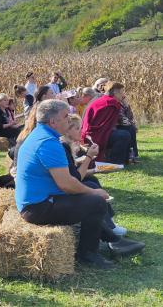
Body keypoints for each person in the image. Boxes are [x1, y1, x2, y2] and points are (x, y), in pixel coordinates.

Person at [16, 99, 115, 268]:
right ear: (53, 122)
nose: (69, 119)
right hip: (37, 208)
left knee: (91, 187)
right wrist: (94, 194)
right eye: (65, 116)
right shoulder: (48, 143)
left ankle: (108, 235)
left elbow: (68, 181)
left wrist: (90, 190)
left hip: (38, 201)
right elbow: (66, 184)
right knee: (96, 201)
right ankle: (88, 254)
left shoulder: (41, 134)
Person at [61, 114, 145, 255]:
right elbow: (74, 177)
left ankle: (110, 227)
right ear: (67, 130)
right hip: (55, 195)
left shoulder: (67, 145)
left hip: (59, 189)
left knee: (93, 182)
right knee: (92, 188)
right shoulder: (62, 145)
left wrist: (88, 164)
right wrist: (89, 158)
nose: (80, 131)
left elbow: (72, 173)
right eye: (77, 128)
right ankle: (109, 237)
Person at [81, 81, 131, 164]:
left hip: (90, 133)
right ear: (115, 92)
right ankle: (115, 162)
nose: (123, 95)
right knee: (124, 135)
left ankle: (128, 158)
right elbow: (106, 126)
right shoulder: (111, 103)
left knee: (128, 130)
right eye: (122, 92)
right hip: (94, 136)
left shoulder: (103, 100)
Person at [117, 98, 139, 162]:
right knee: (129, 129)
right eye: (123, 98)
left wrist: (127, 107)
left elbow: (130, 117)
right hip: (117, 125)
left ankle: (134, 154)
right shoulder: (116, 104)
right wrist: (123, 120)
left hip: (126, 124)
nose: (124, 99)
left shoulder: (125, 105)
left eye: (124, 98)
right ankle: (130, 155)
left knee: (131, 128)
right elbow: (120, 116)